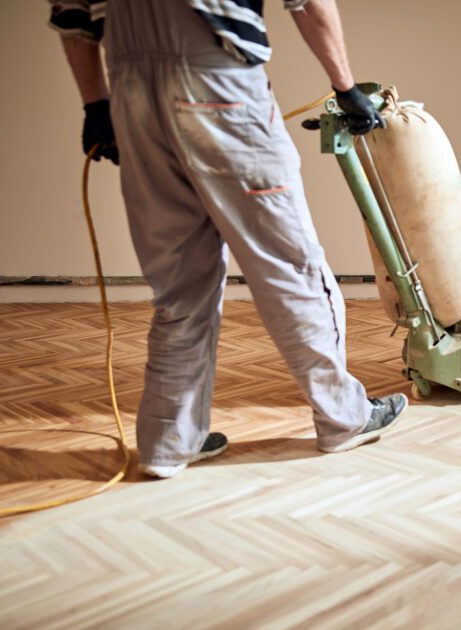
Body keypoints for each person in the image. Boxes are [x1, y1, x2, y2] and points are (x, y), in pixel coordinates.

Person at [48, 0, 407, 478]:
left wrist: (96, 104)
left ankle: (168, 441)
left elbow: (73, 16)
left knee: (179, 280)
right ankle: (344, 416)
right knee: (289, 262)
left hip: (131, 90)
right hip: (217, 80)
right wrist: (344, 86)